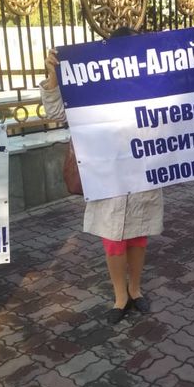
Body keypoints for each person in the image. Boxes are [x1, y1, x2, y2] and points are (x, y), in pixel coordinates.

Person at [40, 27, 163, 324]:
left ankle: (135, 289)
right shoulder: (90, 86)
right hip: (106, 176)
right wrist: (54, 77)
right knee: (114, 240)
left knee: (138, 236)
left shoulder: (154, 85)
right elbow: (56, 113)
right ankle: (120, 296)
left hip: (142, 174)